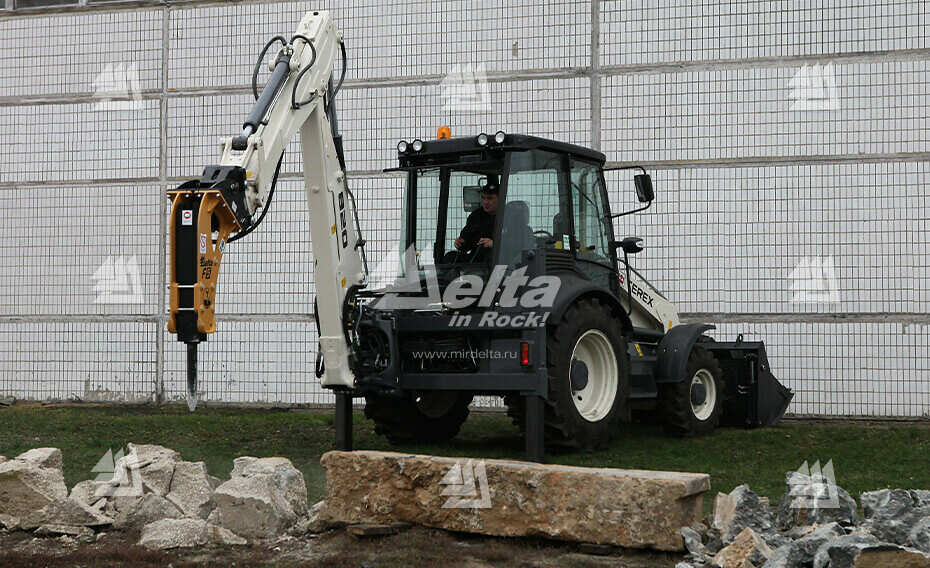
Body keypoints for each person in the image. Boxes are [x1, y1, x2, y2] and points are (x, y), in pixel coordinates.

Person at [454, 177, 498, 260]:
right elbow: (467, 240)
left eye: (490, 198)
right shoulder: (476, 216)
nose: (485, 202)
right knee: (450, 257)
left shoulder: (508, 217)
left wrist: (494, 244)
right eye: (483, 198)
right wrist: (461, 242)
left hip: (499, 262)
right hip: (476, 262)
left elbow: (515, 246)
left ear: (501, 199)